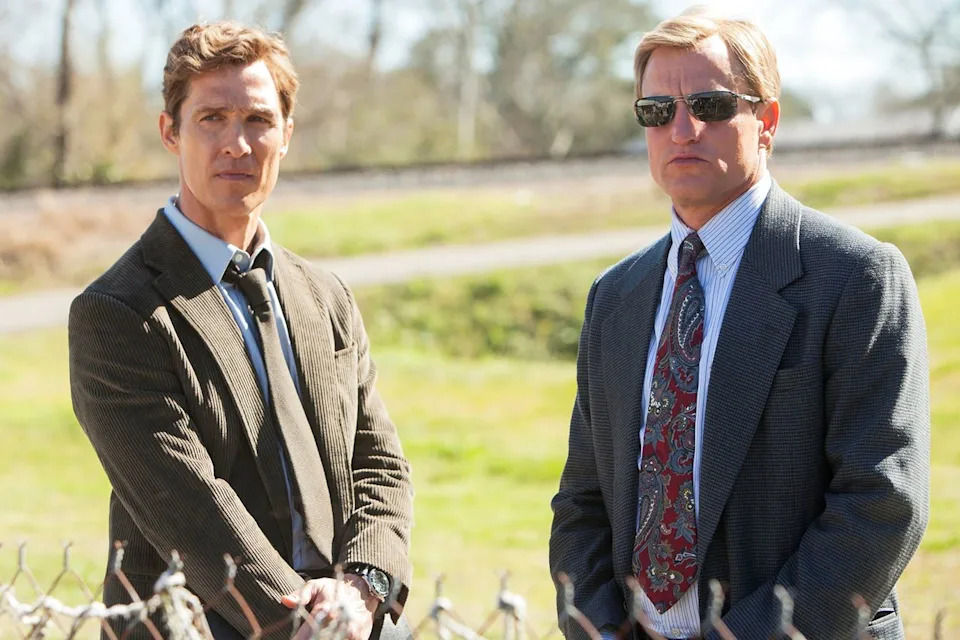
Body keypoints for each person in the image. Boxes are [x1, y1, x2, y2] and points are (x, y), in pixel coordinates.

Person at [548, 8, 929, 640]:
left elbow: (881, 503)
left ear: (767, 120)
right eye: (657, 110)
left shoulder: (857, 277)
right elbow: (581, 503)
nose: (682, 128)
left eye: (711, 105)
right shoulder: (614, 297)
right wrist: (603, 631)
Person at [69, 22, 413, 640]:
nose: (237, 143)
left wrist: (363, 589)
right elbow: (185, 505)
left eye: (258, 119)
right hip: (206, 622)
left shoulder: (326, 296)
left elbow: (378, 462)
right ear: (170, 132)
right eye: (212, 119)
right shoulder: (118, 311)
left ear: (287, 135)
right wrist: (303, 619)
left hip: (351, 617)